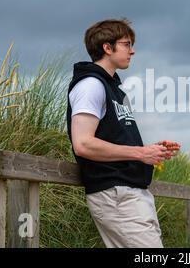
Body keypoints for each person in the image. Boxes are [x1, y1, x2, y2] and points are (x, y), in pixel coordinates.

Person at [66, 18, 180, 248]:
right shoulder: (90, 85)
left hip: (131, 195)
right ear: (107, 48)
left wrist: (150, 150)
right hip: (116, 195)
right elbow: (83, 144)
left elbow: (116, 139)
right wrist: (140, 153)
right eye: (126, 44)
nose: (132, 50)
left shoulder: (115, 90)